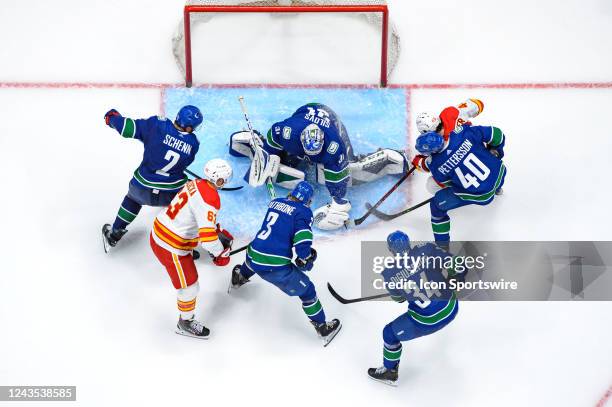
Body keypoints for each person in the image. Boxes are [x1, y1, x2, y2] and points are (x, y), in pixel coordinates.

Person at [229, 103, 409, 230]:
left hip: (331, 121)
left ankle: (388, 159)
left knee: (350, 174)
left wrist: (338, 202)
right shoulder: (288, 131)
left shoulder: (333, 146)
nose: (312, 157)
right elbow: (273, 139)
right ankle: (250, 140)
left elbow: (337, 181)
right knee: (279, 161)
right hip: (305, 112)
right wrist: (267, 157)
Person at [229, 181, 342, 346]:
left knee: (253, 260)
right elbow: (302, 242)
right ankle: (322, 327)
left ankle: (239, 278)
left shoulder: (276, 202)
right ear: (308, 201)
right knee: (308, 291)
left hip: (253, 251)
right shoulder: (304, 212)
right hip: (274, 265)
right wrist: (306, 258)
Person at [150, 159, 234, 339]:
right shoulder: (211, 198)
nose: (225, 182)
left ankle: (185, 320)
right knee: (190, 287)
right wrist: (220, 251)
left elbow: (190, 214)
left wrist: (212, 230)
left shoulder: (195, 183)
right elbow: (208, 240)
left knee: (189, 279)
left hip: (160, 228)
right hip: (171, 246)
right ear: (219, 180)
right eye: (224, 179)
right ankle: (185, 322)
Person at [102, 105, 203, 252]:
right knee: (188, 202)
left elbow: (127, 128)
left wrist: (112, 118)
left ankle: (115, 233)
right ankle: (183, 246)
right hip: (171, 194)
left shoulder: (157, 124)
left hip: (142, 189)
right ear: (189, 128)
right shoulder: (194, 143)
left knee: (132, 200)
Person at [368, 231, 459, 386]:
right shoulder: (427, 249)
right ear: (409, 242)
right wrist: (451, 279)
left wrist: (402, 286)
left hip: (427, 321)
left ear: (391, 250)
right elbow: (455, 263)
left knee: (389, 333)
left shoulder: (389, 274)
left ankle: (390, 371)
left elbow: (399, 299)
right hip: (452, 307)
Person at [412, 123, 506, 242]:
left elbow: (448, 184)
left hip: (483, 196)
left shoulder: (436, 165)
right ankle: (497, 188)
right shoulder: (462, 133)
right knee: (491, 166)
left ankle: (442, 246)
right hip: (500, 173)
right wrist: (496, 152)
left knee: (436, 206)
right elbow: (496, 133)